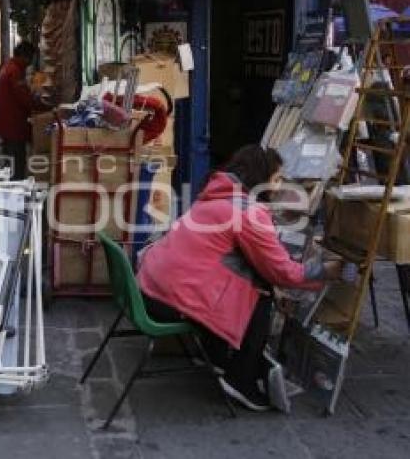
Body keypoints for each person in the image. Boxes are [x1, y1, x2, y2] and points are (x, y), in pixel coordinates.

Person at [137, 144, 342, 411]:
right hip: (170, 300)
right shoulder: (248, 212)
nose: (279, 187)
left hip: (150, 288)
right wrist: (325, 271)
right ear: (260, 179)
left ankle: (219, 356)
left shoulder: (213, 195)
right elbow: (282, 272)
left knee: (248, 280)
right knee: (261, 295)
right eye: (277, 179)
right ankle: (240, 380)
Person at [0, 41, 37, 179]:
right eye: (30, 59)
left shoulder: (9, 66)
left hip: (6, 123)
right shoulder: (15, 71)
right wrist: (41, 105)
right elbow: (24, 98)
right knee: (16, 160)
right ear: (25, 56)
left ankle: (10, 185)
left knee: (9, 158)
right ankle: (16, 188)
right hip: (13, 124)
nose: (30, 63)